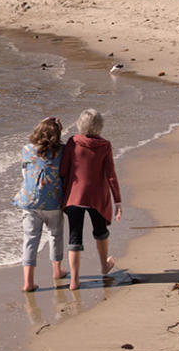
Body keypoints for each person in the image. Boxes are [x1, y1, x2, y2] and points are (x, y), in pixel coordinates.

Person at [59, 109, 122, 290]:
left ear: (80, 124)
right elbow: (111, 175)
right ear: (100, 126)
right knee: (100, 232)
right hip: (97, 197)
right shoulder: (105, 145)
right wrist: (117, 200)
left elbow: (63, 169)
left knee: (74, 237)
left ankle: (74, 280)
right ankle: (104, 265)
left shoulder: (73, 142)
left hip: (75, 196)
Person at [13, 116, 67, 292]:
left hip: (29, 201)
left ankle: (28, 282)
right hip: (53, 202)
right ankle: (57, 270)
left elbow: (24, 172)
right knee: (55, 235)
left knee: (30, 240)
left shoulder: (27, 149)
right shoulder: (63, 151)